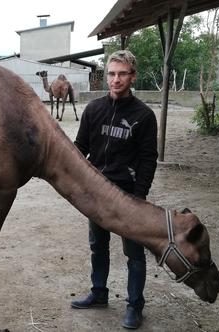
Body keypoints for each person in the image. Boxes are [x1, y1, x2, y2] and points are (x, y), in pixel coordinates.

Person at [71, 50, 158, 329]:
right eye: (111, 74)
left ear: (132, 76)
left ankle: (135, 306)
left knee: (134, 253)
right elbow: (79, 149)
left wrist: (139, 196)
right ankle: (99, 294)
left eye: (122, 74)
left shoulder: (144, 116)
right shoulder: (93, 110)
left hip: (127, 196)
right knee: (98, 246)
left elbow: (148, 159)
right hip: (97, 194)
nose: (115, 79)